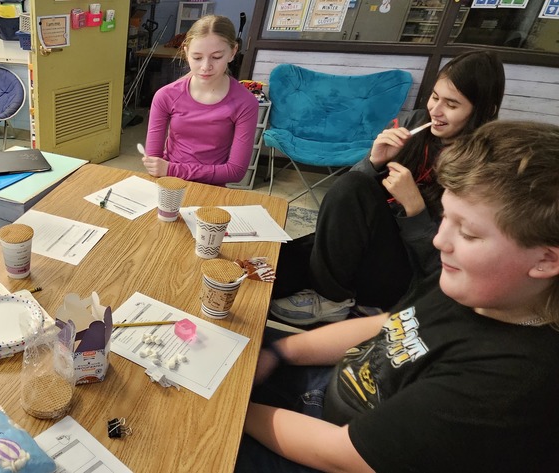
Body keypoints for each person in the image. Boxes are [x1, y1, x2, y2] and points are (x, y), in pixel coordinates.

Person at [237, 120, 559, 473]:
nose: (439, 241)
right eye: (446, 218)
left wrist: (232, 406)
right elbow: (389, 324)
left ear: (546, 259)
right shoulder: (483, 286)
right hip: (333, 390)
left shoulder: (509, 379)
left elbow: (343, 454)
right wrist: (280, 352)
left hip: (338, 450)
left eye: (467, 233)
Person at [269, 51, 506, 325]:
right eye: (435, 97)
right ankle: (329, 289)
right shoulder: (416, 124)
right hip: (364, 246)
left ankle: (332, 298)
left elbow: (441, 261)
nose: (436, 111)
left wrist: (414, 206)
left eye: (452, 105)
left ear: (483, 110)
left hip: (407, 270)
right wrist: (374, 160)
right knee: (271, 269)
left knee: (351, 187)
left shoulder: (485, 166)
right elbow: (357, 196)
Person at [141, 15, 259, 186]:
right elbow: (154, 161)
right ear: (186, 51)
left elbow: (235, 171)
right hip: (169, 184)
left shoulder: (245, 102)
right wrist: (164, 170)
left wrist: (171, 169)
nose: (205, 66)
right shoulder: (165, 96)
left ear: (233, 52)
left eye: (217, 57)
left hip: (210, 188)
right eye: (197, 57)